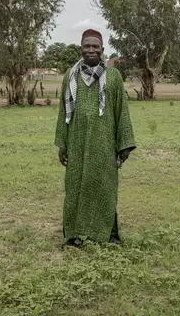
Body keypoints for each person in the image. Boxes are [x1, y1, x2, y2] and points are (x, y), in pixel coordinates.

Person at [54, 29, 136, 247]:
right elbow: (64, 111)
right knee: (75, 188)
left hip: (104, 144)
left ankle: (110, 235)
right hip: (77, 143)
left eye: (95, 46)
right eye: (86, 46)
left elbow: (121, 111)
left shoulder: (114, 77)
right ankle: (73, 235)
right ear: (81, 48)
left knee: (105, 188)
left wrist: (124, 145)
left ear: (102, 50)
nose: (91, 50)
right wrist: (62, 144)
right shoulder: (70, 76)